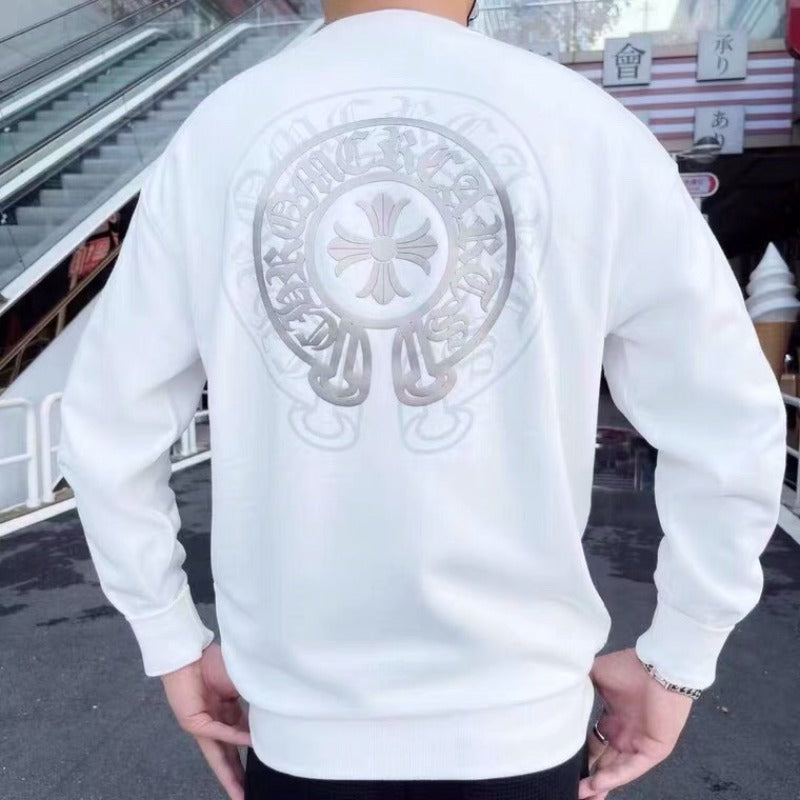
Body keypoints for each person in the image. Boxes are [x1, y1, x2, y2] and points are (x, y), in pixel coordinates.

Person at [56, 1, 788, 799]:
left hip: (301, 732)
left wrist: (169, 635)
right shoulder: (589, 128)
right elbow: (729, 419)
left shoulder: (215, 138)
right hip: (523, 728)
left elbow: (107, 424)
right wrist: (680, 654)